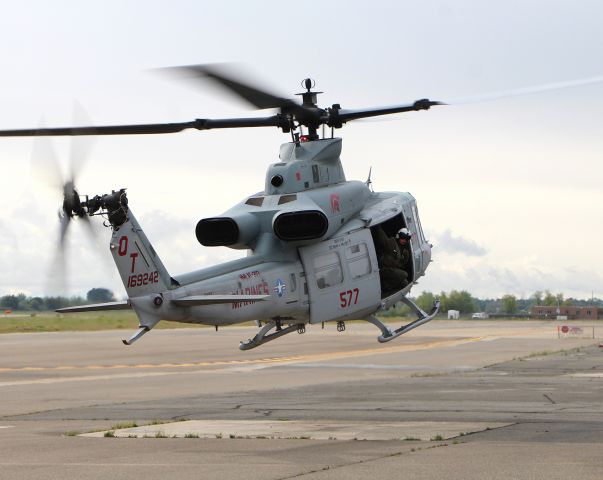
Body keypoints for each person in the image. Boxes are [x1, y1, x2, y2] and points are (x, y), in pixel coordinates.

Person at [373, 226, 410, 296]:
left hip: (389, 270)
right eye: (403, 237)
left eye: (407, 238)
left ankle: (386, 287)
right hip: (381, 268)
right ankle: (385, 286)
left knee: (404, 283)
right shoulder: (392, 243)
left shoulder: (404, 251)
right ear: (398, 236)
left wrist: (405, 259)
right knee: (404, 274)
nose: (404, 240)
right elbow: (383, 239)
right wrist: (377, 227)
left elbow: (399, 265)